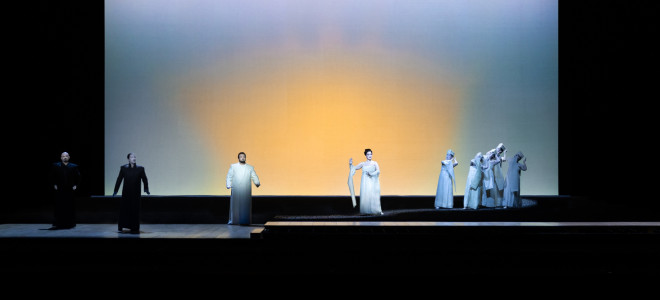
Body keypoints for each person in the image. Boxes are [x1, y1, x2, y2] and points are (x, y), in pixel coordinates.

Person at [113, 153, 150, 234]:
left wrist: (146, 189)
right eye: (132, 157)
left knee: (135, 210)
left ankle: (134, 227)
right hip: (126, 193)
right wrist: (115, 190)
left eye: (134, 157)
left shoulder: (140, 168)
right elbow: (119, 179)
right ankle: (121, 225)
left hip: (136, 193)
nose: (134, 158)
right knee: (124, 209)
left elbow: (145, 179)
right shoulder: (124, 168)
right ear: (128, 159)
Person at [48, 152, 80, 230]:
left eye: (66, 156)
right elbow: (52, 176)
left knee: (69, 206)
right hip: (60, 189)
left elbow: (78, 177)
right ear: (61, 157)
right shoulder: (56, 165)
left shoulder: (74, 166)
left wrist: (76, 185)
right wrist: (54, 184)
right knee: (59, 206)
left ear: (69, 157)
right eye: (63, 156)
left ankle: (70, 223)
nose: (65, 157)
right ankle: (59, 223)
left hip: (69, 189)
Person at [226, 152, 260, 225]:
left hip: (245, 188)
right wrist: (228, 184)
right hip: (236, 188)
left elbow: (254, 175)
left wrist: (257, 182)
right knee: (235, 205)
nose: (242, 158)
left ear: (245, 157)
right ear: (238, 158)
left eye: (244, 156)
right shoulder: (233, 166)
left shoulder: (250, 167)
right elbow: (229, 176)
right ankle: (234, 220)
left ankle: (245, 220)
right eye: (241, 156)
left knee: (245, 205)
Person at [349, 149, 382, 215]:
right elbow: (354, 168)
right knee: (366, 194)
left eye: (371, 154)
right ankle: (366, 211)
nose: (370, 155)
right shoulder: (363, 164)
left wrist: (371, 174)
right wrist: (350, 164)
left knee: (372, 194)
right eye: (368, 154)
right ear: (365, 155)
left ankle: (374, 210)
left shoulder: (374, 163)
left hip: (372, 181)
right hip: (365, 182)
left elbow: (378, 171)